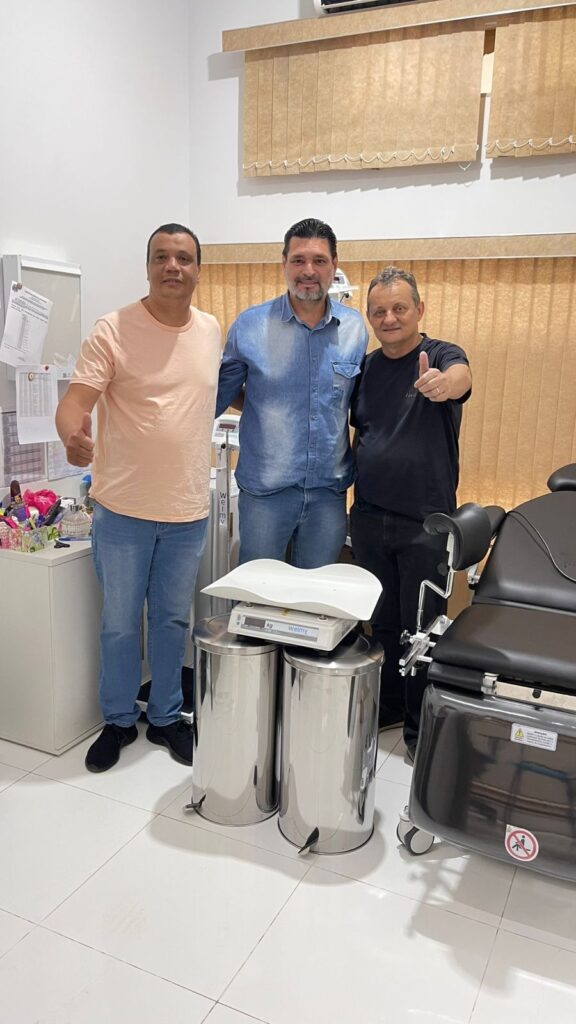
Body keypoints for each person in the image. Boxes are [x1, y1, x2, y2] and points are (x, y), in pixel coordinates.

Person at [56, 223, 221, 772]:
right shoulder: (114, 329)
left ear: (198, 269)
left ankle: (168, 717)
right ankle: (119, 720)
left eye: (184, 257)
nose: (173, 266)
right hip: (123, 509)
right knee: (121, 623)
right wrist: (71, 434)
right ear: (148, 266)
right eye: (162, 256)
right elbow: (75, 401)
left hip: (187, 510)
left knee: (173, 621)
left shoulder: (210, 330)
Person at [350, 267, 472, 760]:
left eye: (399, 308)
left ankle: (422, 730)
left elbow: (461, 378)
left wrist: (444, 385)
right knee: (381, 624)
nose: (389, 318)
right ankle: (391, 707)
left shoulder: (440, 356)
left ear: (419, 309)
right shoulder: (365, 369)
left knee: (422, 630)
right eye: (379, 311)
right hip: (369, 517)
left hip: (426, 524)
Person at [216, 218, 368, 568]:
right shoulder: (250, 327)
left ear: (334, 265)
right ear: (284, 263)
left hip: (328, 493)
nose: (308, 270)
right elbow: (219, 395)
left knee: (316, 595)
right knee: (258, 591)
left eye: (319, 260)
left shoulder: (355, 329)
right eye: (298, 260)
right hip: (265, 493)